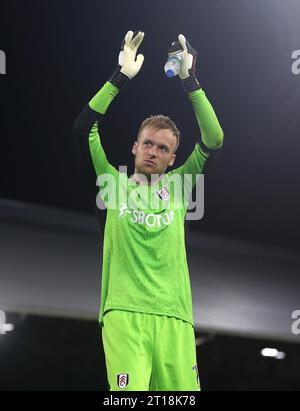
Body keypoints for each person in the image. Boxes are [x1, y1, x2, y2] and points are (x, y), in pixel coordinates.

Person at [74, 30, 223, 391]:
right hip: (124, 314)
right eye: (147, 144)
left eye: (162, 148)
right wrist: (120, 76)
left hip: (176, 317)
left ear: (173, 159)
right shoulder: (111, 184)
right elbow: (83, 129)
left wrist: (189, 79)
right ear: (134, 148)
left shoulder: (181, 186)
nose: (153, 151)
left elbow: (214, 138)